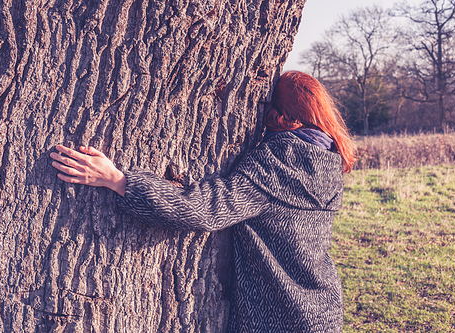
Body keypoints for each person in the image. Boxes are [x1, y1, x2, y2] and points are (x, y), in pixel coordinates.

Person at [50, 71, 356, 332]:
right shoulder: (328, 161)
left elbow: (202, 210)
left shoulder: (280, 162)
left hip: (283, 316)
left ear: (279, 116)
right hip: (322, 310)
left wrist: (117, 180)